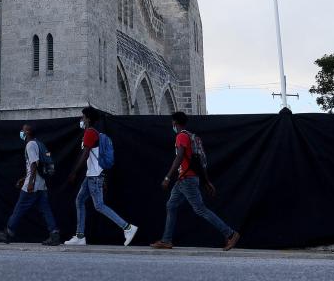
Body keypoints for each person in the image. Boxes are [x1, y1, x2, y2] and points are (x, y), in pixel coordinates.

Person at [150, 111, 240, 251]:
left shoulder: (181, 136)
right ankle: (166, 240)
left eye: (172, 122)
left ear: (175, 123)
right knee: (171, 205)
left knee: (200, 209)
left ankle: (231, 234)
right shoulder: (191, 136)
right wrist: (206, 181)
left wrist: (167, 177)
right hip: (184, 180)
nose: (172, 125)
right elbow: (198, 162)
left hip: (187, 180)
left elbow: (179, 157)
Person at [64, 106, 138, 246]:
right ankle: (80, 236)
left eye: (83, 117)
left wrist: (74, 172)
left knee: (99, 205)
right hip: (92, 175)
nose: (82, 119)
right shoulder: (93, 133)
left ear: (88, 119)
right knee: (79, 201)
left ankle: (128, 227)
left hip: (94, 176)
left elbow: (85, 154)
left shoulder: (90, 133)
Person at [0, 124, 61, 245]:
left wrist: (30, 183)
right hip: (41, 184)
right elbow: (35, 166)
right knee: (45, 209)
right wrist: (24, 178)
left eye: (23, 130)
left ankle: (8, 233)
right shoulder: (38, 143)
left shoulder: (30, 145)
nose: (21, 132)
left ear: (27, 132)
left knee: (19, 208)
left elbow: (34, 164)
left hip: (33, 184)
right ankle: (54, 234)